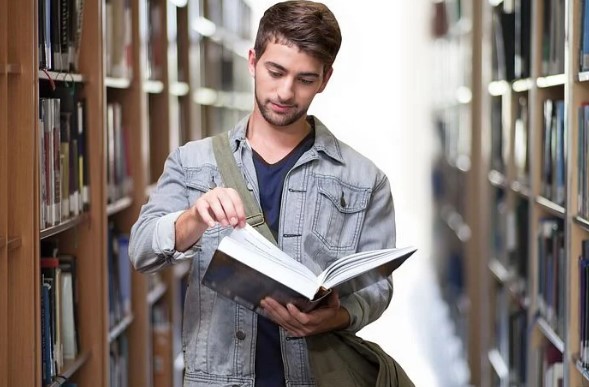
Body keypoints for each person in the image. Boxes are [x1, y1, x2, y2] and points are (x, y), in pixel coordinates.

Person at [129, 1, 397, 386]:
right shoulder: (193, 163)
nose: (286, 92)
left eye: (305, 79)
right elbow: (140, 250)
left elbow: (377, 286)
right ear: (253, 60)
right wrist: (194, 218)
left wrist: (336, 317)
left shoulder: (365, 179)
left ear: (325, 78)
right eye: (276, 71)